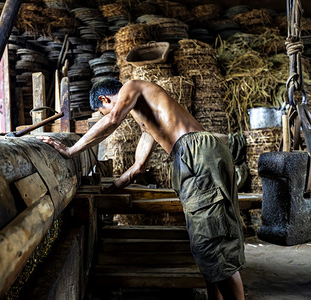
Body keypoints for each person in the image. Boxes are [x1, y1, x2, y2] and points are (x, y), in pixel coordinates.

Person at [37, 78, 245, 300]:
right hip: (194, 155)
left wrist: (71, 151)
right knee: (205, 240)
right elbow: (138, 167)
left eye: (104, 111)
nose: (108, 114)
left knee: (214, 238)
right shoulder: (147, 120)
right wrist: (110, 188)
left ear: (104, 99)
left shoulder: (132, 86)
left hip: (198, 153)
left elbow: (114, 120)